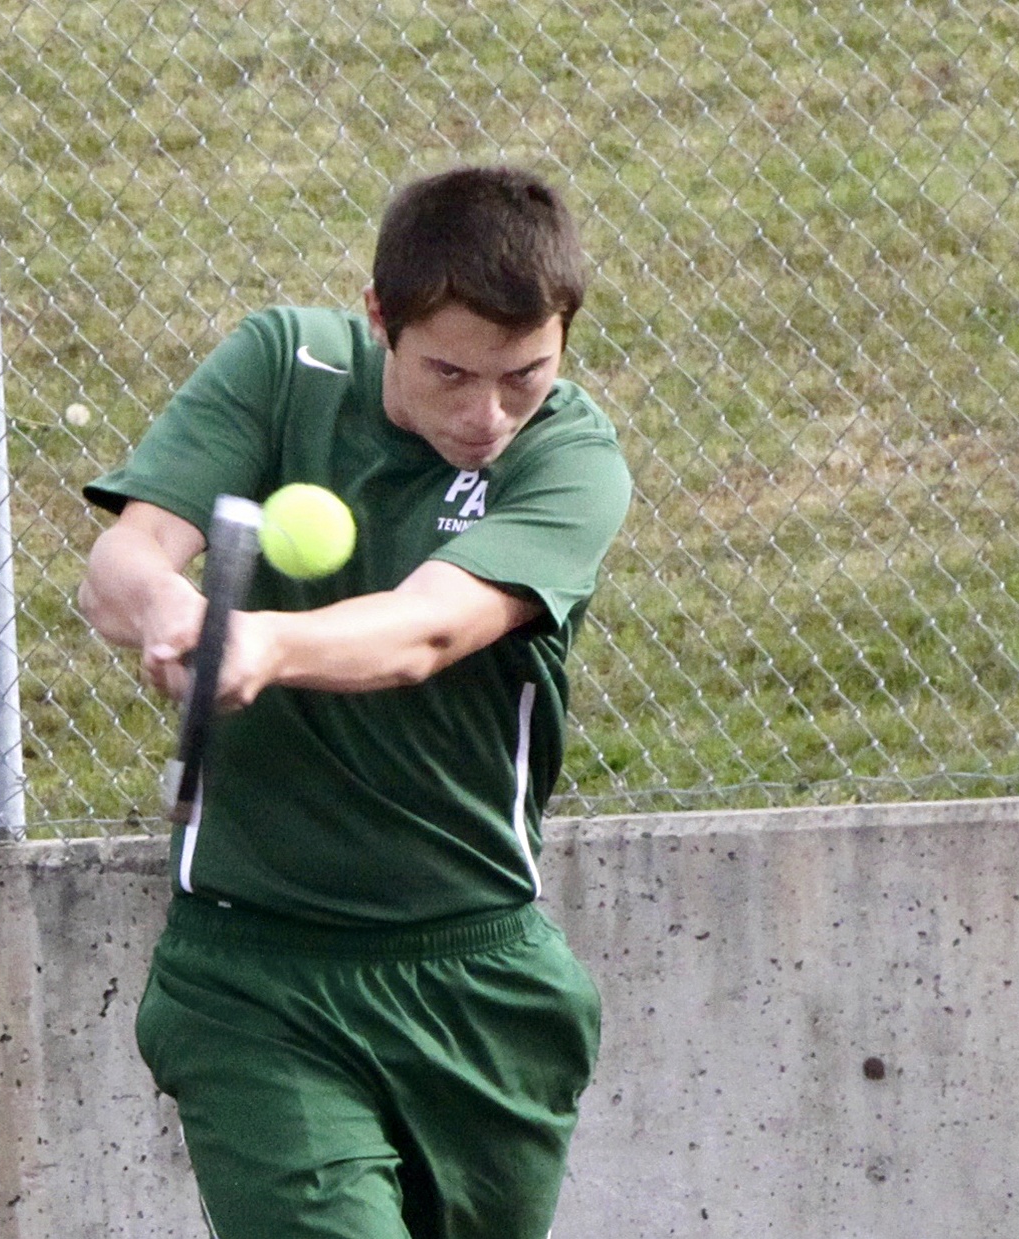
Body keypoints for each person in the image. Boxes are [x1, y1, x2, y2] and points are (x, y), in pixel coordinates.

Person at [78, 164, 633, 1239]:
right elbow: (121, 567)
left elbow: (428, 629)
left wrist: (264, 644)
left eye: (524, 373)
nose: (486, 414)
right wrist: (171, 613)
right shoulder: (285, 364)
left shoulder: (571, 457)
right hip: (254, 981)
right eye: (451, 372)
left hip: (482, 978)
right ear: (380, 318)